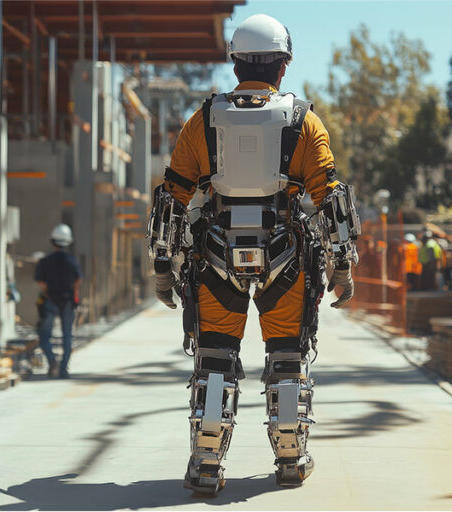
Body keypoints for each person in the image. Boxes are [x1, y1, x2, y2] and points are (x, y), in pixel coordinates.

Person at [147, 14, 360, 494]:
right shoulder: (304, 122)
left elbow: (173, 197)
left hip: (215, 258)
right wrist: (341, 266)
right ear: (283, 66)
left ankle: (205, 463)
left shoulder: (201, 121)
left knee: (215, 360)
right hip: (286, 260)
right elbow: (331, 199)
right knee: (287, 356)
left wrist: (164, 268)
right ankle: (290, 458)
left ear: (236, 63)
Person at [35, 224, 81, 379]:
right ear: (68, 242)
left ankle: (52, 360)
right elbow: (78, 280)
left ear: (53, 241)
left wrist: (48, 290)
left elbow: (40, 282)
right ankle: (63, 370)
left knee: (44, 335)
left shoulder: (45, 261)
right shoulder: (71, 261)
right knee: (67, 336)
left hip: (50, 301)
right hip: (67, 302)